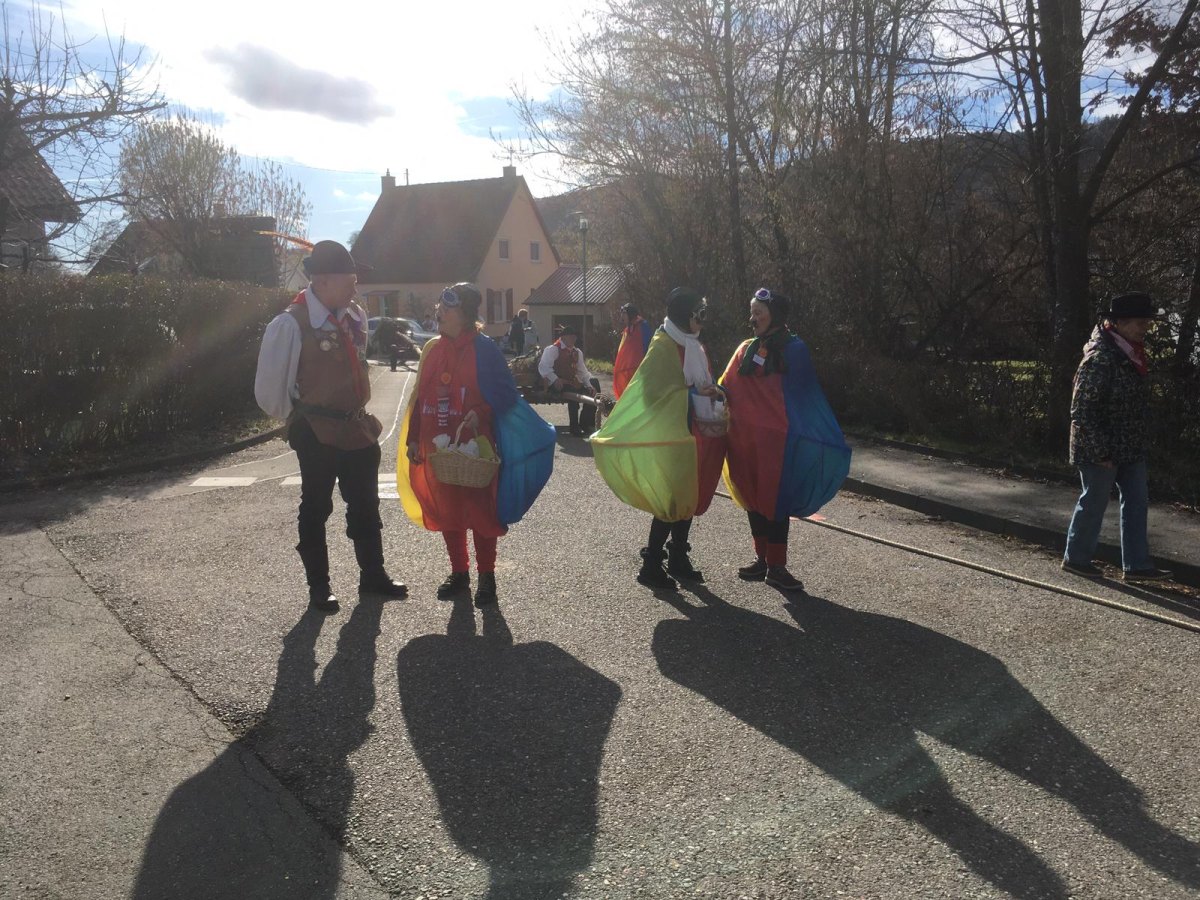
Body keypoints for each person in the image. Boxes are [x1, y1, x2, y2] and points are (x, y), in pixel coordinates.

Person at [254, 240, 408, 613]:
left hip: (356, 427)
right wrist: (303, 419)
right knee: (316, 507)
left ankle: (372, 575)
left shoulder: (352, 316)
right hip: (317, 431)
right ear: (322, 282)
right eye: (349, 281)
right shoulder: (290, 323)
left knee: (366, 505)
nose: (355, 288)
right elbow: (272, 390)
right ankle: (318, 587)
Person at [398, 283, 556, 606]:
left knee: (482, 513)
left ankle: (487, 578)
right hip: (439, 449)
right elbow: (420, 398)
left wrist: (480, 411)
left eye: (446, 308)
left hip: (476, 450)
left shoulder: (485, 350)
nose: (438, 313)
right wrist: (414, 439)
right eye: (439, 307)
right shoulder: (432, 350)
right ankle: (459, 573)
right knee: (448, 511)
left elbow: (504, 396)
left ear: (466, 315)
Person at [593, 287, 727, 589]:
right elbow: (654, 392)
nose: (703, 321)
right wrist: (693, 393)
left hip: (694, 432)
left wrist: (713, 391)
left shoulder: (693, 344)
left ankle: (678, 556)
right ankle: (651, 564)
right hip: (670, 435)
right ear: (685, 316)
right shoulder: (663, 344)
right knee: (671, 501)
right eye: (699, 314)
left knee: (688, 497)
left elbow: (702, 378)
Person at [719, 288, 851, 593]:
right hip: (744, 439)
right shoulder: (745, 349)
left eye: (759, 314)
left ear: (774, 316)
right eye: (752, 313)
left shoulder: (794, 349)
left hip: (778, 442)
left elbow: (805, 396)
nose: (752, 320)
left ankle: (777, 566)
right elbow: (726, 385)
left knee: (776, 500)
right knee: (753, 497)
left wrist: (815, 433)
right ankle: (762, 560)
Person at [1062, 292, 1173, 582]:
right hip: (1098, 447)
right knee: (1094, 501)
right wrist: (1100, 451)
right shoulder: (1100, 357)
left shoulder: (1129, 352)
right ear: (1120, 323)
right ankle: (1077, 558)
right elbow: (1082, 410)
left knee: (1137, 502)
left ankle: (1137, 566)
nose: (1146, 329)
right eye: (1140, 323)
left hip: (1129, 445)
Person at [538, 326, 598, 436]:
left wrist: (589, 385)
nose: (573, 339)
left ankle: (586, 423)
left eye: (575, 337)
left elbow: (582, 372)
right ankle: (574, 427)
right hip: (555, 384)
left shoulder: (577, 352)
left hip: (571, 382)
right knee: (573, 391)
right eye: (571, 337)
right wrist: (555, 379)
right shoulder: (553, 349)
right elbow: (544, 368)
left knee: (595, 383)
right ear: (564, 337)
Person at [612, 302, 654, 399]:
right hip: (628, 370)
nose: (622, 317)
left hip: (640, 369)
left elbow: (648, 346)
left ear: (630, 314)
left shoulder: (643, 326)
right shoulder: (627, 330)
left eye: (624, 314)